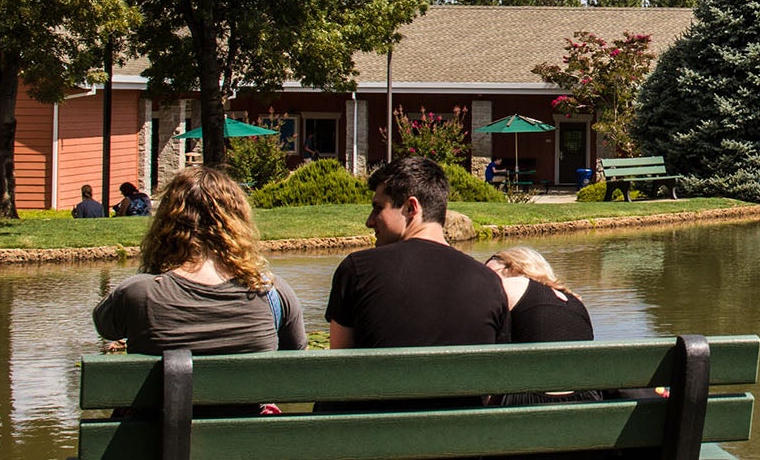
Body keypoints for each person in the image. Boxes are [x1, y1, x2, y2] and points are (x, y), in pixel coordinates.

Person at [324, 156, 508, 409]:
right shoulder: (489, 281)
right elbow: (493, 386)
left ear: (411, 208)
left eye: (378, 208)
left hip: (375, 440)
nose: (369, 220)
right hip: (462, 441)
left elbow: (338, 371)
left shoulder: (358, 270)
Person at [93, 166, 307, 357]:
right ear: (238, 224)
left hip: (166, 402)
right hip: (243, 403)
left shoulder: (138, 293)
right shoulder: (272, 293)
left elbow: (106, 328)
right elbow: (295, 358)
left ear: (165, 225)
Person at [485, 246, 599, 406]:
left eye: (489, 271)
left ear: (513, 267)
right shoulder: (575, 300)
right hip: (587, 401)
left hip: (529, 403)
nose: (485, 278)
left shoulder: (511, 285)